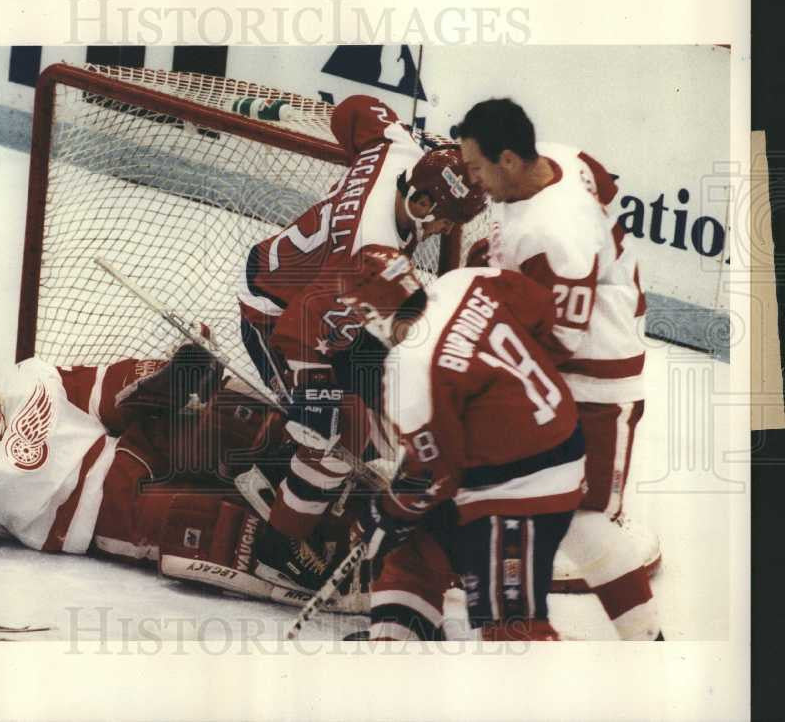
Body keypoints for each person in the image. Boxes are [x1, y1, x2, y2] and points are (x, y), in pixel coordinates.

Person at [0, 341, 365, 609]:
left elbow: (108, 391)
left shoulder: (34, 381)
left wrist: (159, 382)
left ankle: (323, 466)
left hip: (130, 451)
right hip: (101, 512)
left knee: (223, 416)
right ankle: (292, 555)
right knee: (199, 518)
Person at [236, 94, 486, 577]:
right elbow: (300, 331)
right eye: (439, 220)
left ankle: (281, 467)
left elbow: (354, 110)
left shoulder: (399, 145)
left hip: (324, 296)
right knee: (342, 434)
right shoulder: (370, 248)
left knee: (384, 406)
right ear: (421, 200)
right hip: (274, 314)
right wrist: (316, 394)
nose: (437, 232)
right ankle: (279, 546)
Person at [455, 98, 661, 640]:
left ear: (508, 159)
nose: (474, 182)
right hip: (571, 362)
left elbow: (558, 343)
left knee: (584, 517)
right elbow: (603, 188)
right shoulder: (560, 157)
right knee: (537, 494)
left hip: (597, 380)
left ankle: (651, 647)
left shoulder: (557, 233)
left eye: (477, 168)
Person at [340, 246, 585, 641]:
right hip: (559, 436)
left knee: (509, 628)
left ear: (372, 315)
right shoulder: (463, 281)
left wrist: (389, 512)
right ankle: (395, 643)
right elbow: (540, 306)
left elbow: (438, 473)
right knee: (416, 550)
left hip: (519, 487)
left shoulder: (407, 368)